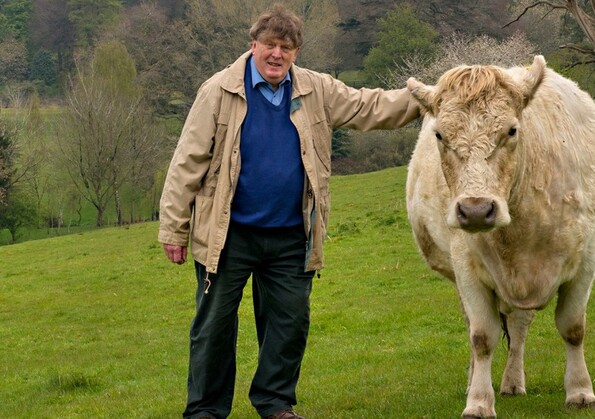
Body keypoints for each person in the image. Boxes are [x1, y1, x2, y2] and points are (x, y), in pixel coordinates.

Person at [158, 4, 421, 419]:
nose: (277, 54)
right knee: (213, 328)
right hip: (228, 234)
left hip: (291, 235)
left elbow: (370, 107)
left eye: (286, 47)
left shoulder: (316, 89)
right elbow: (187, 161)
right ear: (254, 46)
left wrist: (428, 98)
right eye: (270, 46)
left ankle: (275, 403)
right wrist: (174, 230)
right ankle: (206, 410)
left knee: (289, 325)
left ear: (296, 52)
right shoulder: (219, 90)